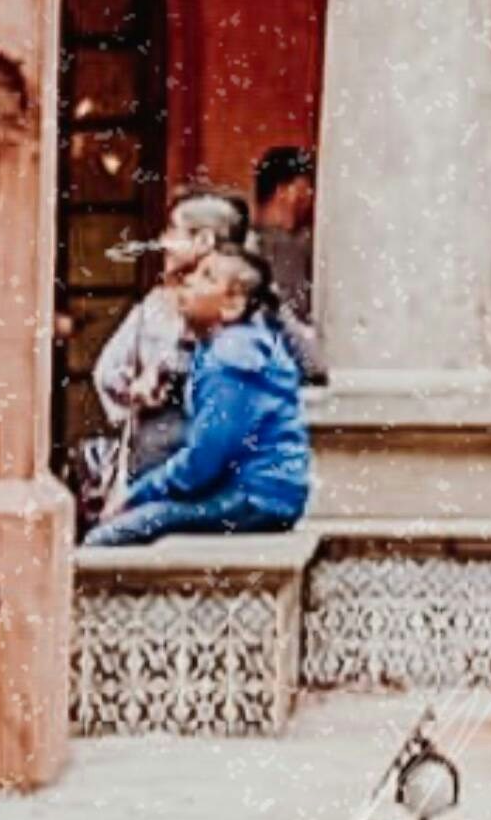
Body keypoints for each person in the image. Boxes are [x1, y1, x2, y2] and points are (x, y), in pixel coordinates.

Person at [91, 241, 312, 543]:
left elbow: (205, 458)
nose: (190, 281)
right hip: (259, 493)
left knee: (107, 538)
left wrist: (135, 496)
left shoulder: (232, 356)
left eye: (207, 277)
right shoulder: (228, 345)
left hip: (253, 496)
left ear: (232, 305)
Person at [86, 195, 249, 513]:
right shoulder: (157, 305)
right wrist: (138, 391)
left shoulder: (242, 310)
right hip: (160, 458)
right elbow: (109, 371)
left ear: (204, 240)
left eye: (174, 232)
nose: (164, 243)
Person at [248, 143, 320, 365]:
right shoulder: (292, 246)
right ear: (286, 191)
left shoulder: (245, 242)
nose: (311, 197)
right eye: (306, 188)